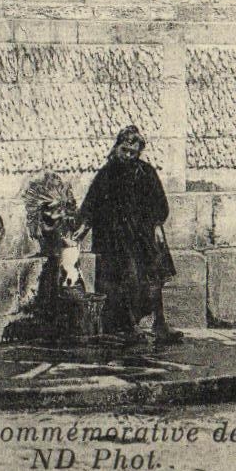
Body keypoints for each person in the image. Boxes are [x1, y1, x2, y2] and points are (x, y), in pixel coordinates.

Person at [76, 126, 182, 347]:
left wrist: (156, 225)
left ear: (138, 153)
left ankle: (159, 324)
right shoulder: (107, 173)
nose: (127, 156)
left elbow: (160, 203)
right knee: (126, 279)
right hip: (115, 238)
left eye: (132, 152)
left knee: (154, 278)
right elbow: (91, 204)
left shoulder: (146, 172)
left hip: (142, 236)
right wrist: (82, 226)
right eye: (123, 150)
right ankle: (129, 325)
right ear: (117, 148)